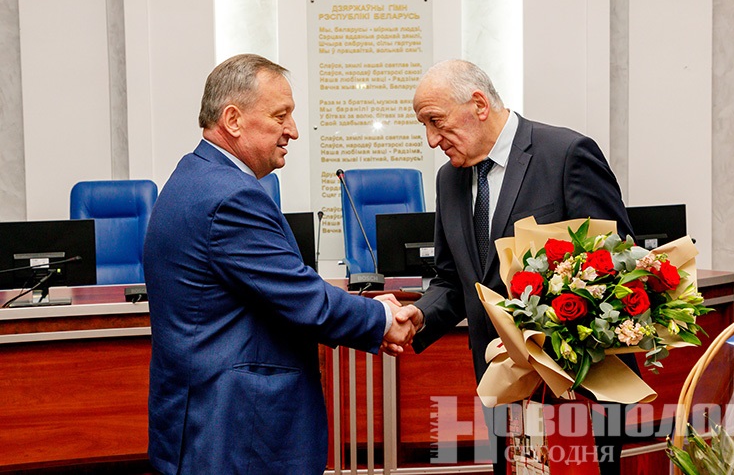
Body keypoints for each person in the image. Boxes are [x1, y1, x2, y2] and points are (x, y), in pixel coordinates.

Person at [143, 54, 415, 475]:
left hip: (205, 422)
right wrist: (380, 318)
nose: (293, 130)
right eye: (280, 115)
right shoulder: (230, 197)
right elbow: (302, 298)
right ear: (233, 120)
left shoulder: (195, 176)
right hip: (233, 433)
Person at [394, 59, 636, 475]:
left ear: (478, 104)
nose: (432, 140)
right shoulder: (449, 180)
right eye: (425, 126)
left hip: (579, 385)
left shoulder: (566, 154)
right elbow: (454, 279)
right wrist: (420, 314)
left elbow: (617, 266)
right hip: (501, 385)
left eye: (436, 122)